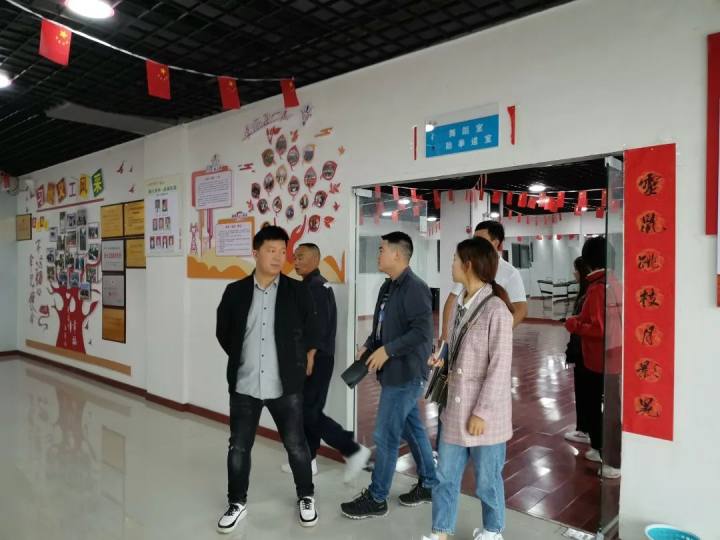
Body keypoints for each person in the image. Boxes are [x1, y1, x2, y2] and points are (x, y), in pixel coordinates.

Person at [215, 226, 321, 533]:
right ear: (255, 252)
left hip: (285, 385)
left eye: (282, 251)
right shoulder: (235, 292)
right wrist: (246, 357)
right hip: (245, 384)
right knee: (238, 447)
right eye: (271, 250)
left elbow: (312, 329)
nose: (278, 257)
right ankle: (237, 503)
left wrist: (301, 359)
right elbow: (224, 333)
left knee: (296, 445)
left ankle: (306, 496)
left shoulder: (298, 291)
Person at [340, 231, 438, 519]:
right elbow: (382, 327)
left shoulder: (416, 288)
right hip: (393, 370)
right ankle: (429, 484)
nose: (377, 254)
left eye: (381, 249)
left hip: (406, 373)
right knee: (412, 428)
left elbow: (422, 332)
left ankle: (377, 497)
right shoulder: (388, 287)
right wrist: (370, 345)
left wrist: (389, 350)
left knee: (385, 435)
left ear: (397, 254)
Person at [423, 238, 514, 540]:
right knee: (445, 476)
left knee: (487, 480)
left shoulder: (496, 310)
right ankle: (440, 532)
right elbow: (454, 344)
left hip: (484, 415)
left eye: (453, 259)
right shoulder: (459, 303)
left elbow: (499, 368)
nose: (450, 264)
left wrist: (481, 412)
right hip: (454, 407)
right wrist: (442, 357)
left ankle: (493, 530)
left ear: (468, 265)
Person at [280, 243, 371, 480]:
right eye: (295, 257)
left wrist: (310, 356)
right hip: (313, 358)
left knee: (308, 412)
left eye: (301, 257)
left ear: (314, 259)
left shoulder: (316, 288)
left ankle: (352, 449)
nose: (296, 262)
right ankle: (308, 461)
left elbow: (318, 327)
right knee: (308, 410)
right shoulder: (312, 285)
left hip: (316, 360)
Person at [564, 236, 622, 479]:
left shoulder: (598, 288)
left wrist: (573, 324)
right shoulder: (616, 284)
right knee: (611, 407)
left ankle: (606, 456)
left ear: (588, 260)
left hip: (597, 359)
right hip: (614, 356)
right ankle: (606, 452)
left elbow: (598, 328)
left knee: (594, 407)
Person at [440, 221, 527, 339]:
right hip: (462, 337)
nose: (475, 244)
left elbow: (521, 309)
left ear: (495, 243)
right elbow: (452, 300)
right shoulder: (470, 268)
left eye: (480, 240)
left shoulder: (510, 273)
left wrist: (499, 332)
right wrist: (445, 333)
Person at [563, 257, 592, 445]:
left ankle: (585, 430)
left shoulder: (587, 295)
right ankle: (586, 428)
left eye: (575, 270)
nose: (574, 273)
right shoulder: (588, 293)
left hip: (584, 352)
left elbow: (583, 326)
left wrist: (572, 324)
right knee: (586, 391)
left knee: (584, 391)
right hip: (585, 351)